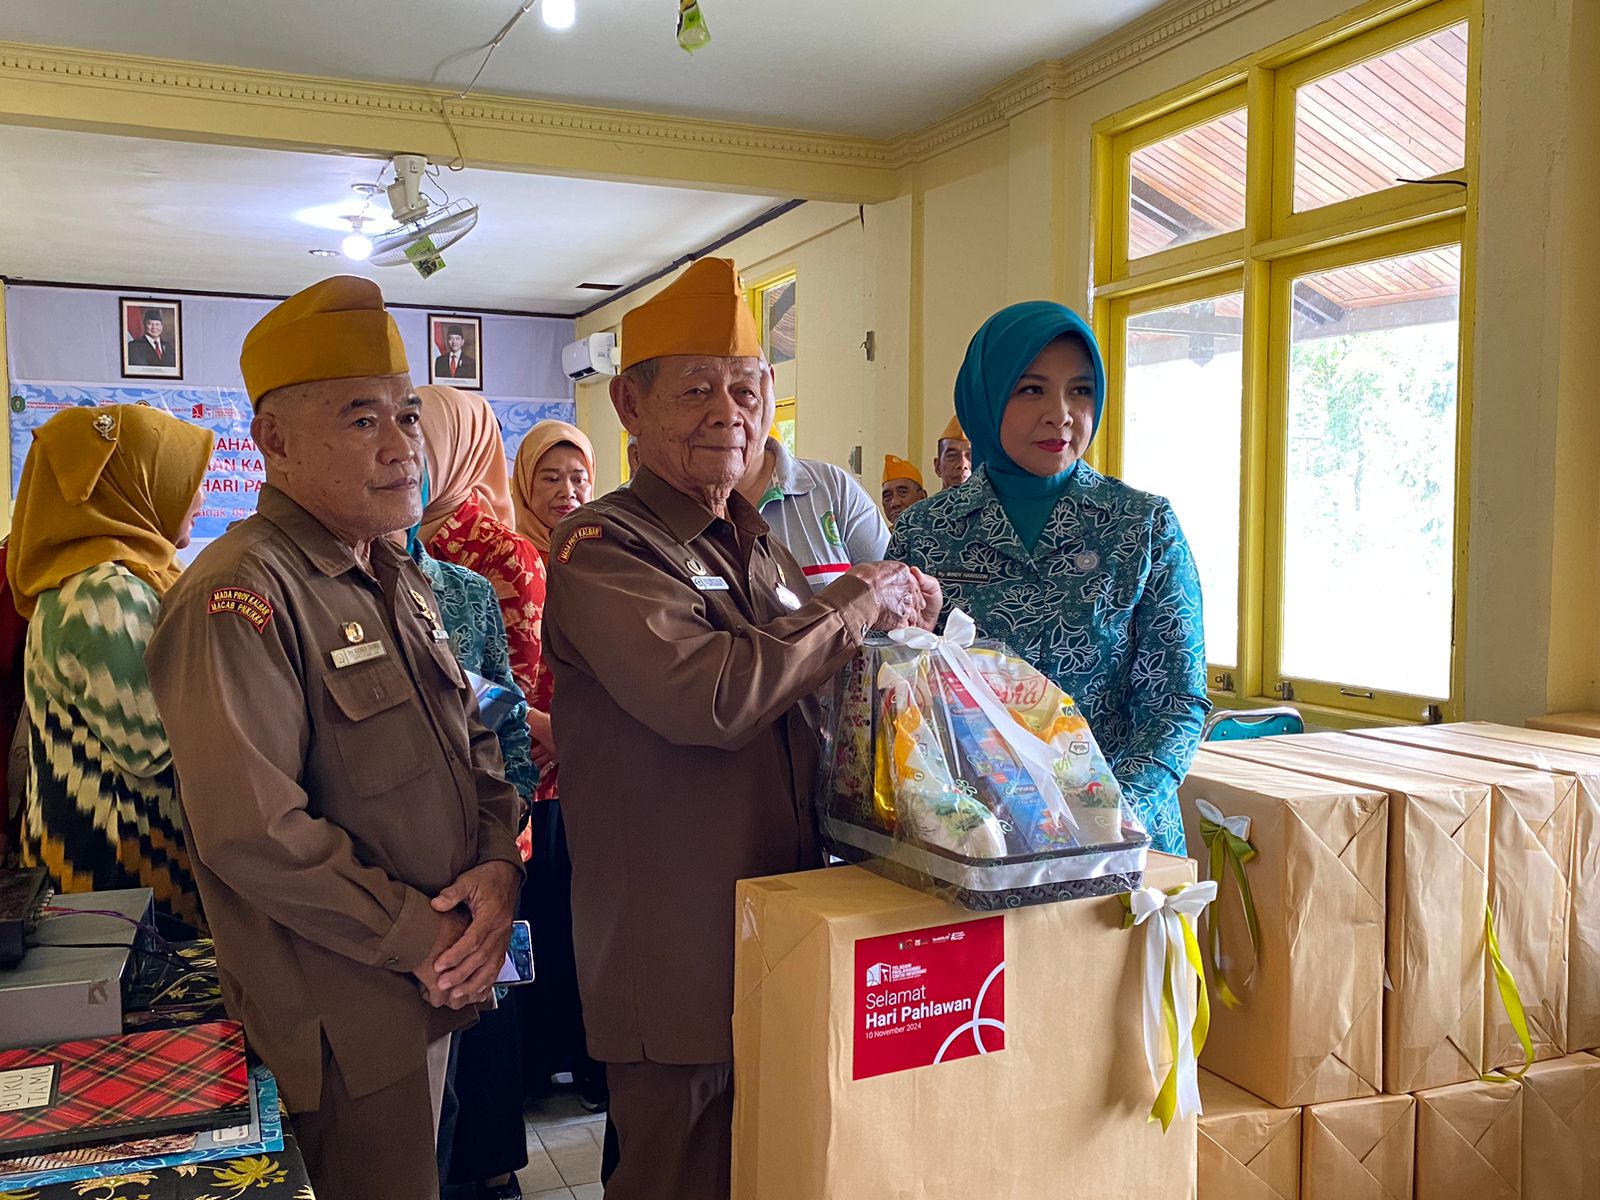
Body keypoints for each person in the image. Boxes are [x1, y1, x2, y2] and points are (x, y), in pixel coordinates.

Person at [543, 257, 940, 1200]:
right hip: (677, 950)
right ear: (630, 409)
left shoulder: (751, 535)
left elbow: (813, 666)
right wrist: (854, 605)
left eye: (747, 387)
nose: (730, 411)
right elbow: (711, 694)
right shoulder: (605, 547)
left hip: (779, 924)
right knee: (677, 1174)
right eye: (696, 390)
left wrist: (901, 617)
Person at [145, 277, 523, 1200]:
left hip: (439, 988)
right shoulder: (240, 594)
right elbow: (254, 831)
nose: (402, 448)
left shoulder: (393, 570)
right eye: (361, 421)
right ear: (272, 442)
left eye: (404, 413)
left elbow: (471, 744)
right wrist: (421, 939)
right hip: (351, 1017)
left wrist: (496, 873)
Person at [888, 301, 1208, 856]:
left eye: (1080, 391)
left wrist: (1108, 811)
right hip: (971, 840)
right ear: (986, 398)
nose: (1061, 413)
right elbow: (895, 689)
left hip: (1118, 842)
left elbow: (1176, 698)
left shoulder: (1141, 525)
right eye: (1031, 390)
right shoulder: (927, 532)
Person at [7, 405, 210, 932]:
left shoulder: (129, 576)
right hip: (119, 878)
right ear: (133, 487)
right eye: (185, 482)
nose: (200, 498)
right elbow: (156, 746)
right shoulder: (103, 594)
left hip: (116, 871)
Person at [509, 420, 607, 1112]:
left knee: (587, 926)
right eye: (550, 477)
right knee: (540, 921)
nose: (567, 491)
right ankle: (540, 1063)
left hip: (594, 776)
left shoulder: (602, 557)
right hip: (530, 782)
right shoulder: (506, 560)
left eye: (578, 478)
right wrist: (535, 727)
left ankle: (585, 1057)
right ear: (523, 484)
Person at [416, 385, 546, 718]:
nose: (406, 465)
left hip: (485, 753)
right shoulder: (386, 540)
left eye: (424, 451)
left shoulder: (506, 554)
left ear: (459, 456)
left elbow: (516, 691)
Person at [735, 434, 889, 592]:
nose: (730, 416)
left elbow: (893, 597)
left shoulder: (834, 488)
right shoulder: (711, 508)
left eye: (745, 406)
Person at [880, 454, 927, 526]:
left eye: (903, 492)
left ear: (922, 497)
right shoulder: (883, 536)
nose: (894, 503)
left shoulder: (939, 533)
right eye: (887, 496)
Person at [933, 414, 972, 489]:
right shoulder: (928, 501)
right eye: (952, 456)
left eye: (970, 456)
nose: (962, 465)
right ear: (937, 466)